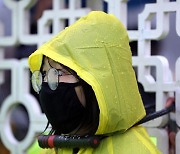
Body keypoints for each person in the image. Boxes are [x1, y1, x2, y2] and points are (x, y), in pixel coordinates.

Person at [28, 11, 160, 153]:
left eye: (59, 72)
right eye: (43, 74)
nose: (47, 82)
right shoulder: (49, 148)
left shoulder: (135, 150)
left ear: (98, 80)